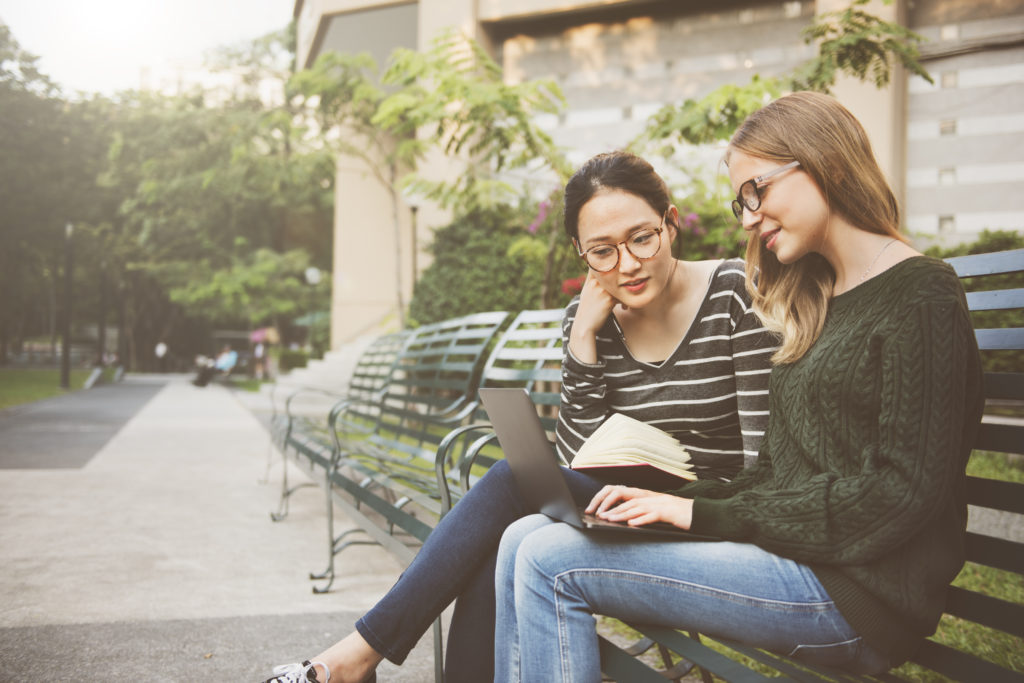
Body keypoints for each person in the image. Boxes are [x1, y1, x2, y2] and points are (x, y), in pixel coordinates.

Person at [494, 91, 984, 682]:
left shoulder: (921, 296)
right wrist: (681, 505)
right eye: (741, 200)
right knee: (522, 537)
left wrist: (696, 514)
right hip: (792, 560)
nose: (748, 217)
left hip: (857, 595)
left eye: (758, 191)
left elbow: (900, 496)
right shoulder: (815, 297)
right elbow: (775, 472)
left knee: (550, 561)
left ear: (822, 161)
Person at [263, 151, 776, 683]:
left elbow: (762, 463)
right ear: (581, 255)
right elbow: (581, 457)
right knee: (516, 530)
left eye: (641, 238)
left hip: (703, 516)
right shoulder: (588, 318)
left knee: (510, 483)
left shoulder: (736, 293)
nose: (626, 264)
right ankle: (361, 661)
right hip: (616, 504)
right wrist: (583, 342)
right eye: (602, 251)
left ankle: (354, 659)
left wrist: (680, 503)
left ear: (670, 224)